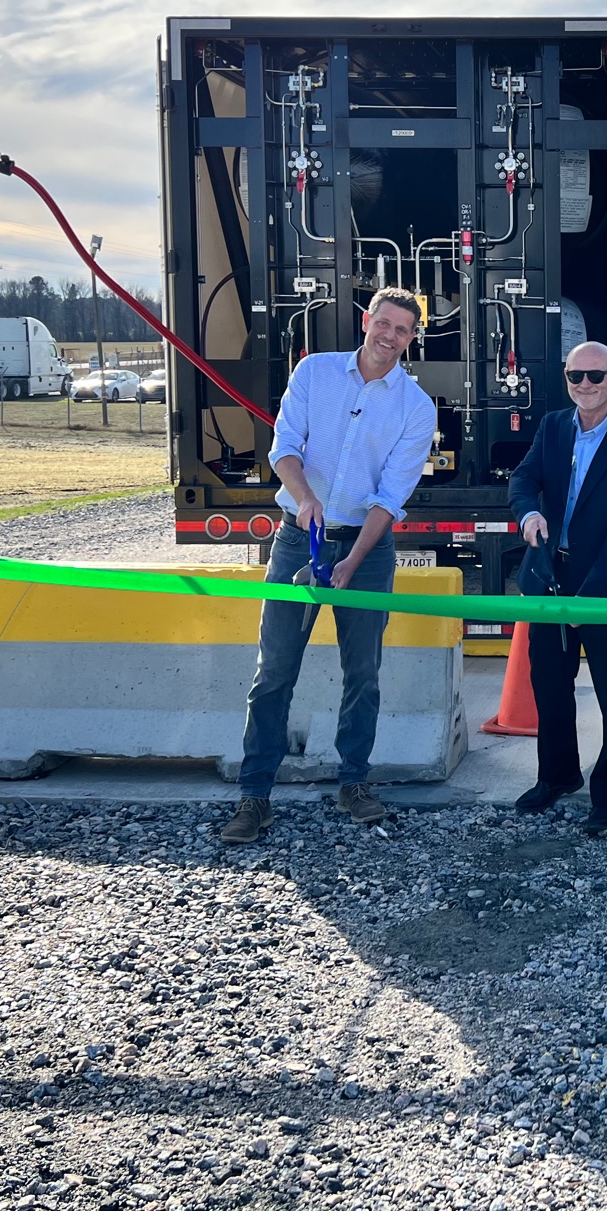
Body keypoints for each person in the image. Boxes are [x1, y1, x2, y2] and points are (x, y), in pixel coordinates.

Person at [220, 289, 437, 844]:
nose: (390, 336)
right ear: (367, 322)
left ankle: (354, 784)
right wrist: (304, 497)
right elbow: (284, 444)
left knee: (362, 674)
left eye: (403, 330)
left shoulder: (416, 406)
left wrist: (352, 561)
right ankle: (255, 796)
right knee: (274, 672)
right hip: (298, 541)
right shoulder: (315, 372)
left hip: (367, 552)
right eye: (384, 324)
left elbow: (391, 497)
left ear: (413, 339)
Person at [507, 341, 607, 837]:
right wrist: (529, 512)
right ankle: (557, 775)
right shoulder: (552, 427)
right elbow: (523, 479)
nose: (585, 385)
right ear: (566, 379)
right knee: (549, 686)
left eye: (596, 376)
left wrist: (588, 599)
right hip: (553, 580)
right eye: (576, 376)